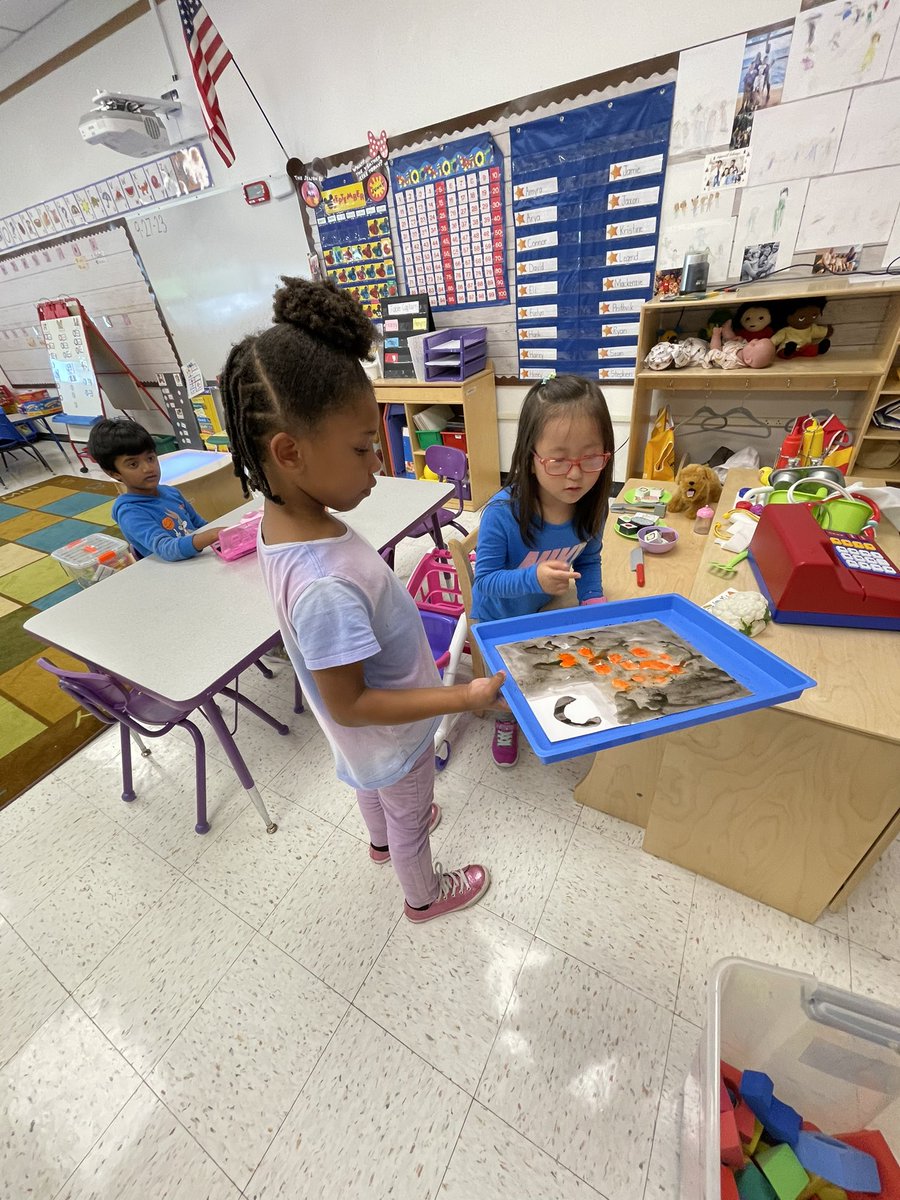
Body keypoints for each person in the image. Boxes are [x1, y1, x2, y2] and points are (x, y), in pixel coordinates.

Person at [219, 277, 504, 923]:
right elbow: (352, 702)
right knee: (410, 816)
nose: (377, 464)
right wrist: (463, 696)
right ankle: (422, 894)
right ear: (289, 453)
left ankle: (381, 839)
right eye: (360, 448)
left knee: (376, 792)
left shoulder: (284, 525)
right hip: (394, 738)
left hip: (365, 747)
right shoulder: (324, 583)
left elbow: (342, 697)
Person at [470, 374, 614, 767]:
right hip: (497, 617)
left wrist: (593, 601)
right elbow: (483, 583)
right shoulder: (503, 514)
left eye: (591, 457)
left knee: (559, 671)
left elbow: (587, 557)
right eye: (558, 459)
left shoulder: (592, 506)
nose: (575, 474)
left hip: (543, 607)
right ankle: (506, 719)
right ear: (530, 458)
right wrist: (534, 578)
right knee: (510, 685)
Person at [88, 418, 224, 560]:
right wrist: (211, 535)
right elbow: (166, 549)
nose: (148, 468)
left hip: (197, 560)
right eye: (133, 464)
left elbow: (200, 525)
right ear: (114, 473)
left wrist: (219, 535)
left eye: (150, 458)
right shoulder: (130, 512)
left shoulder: (171, 492)